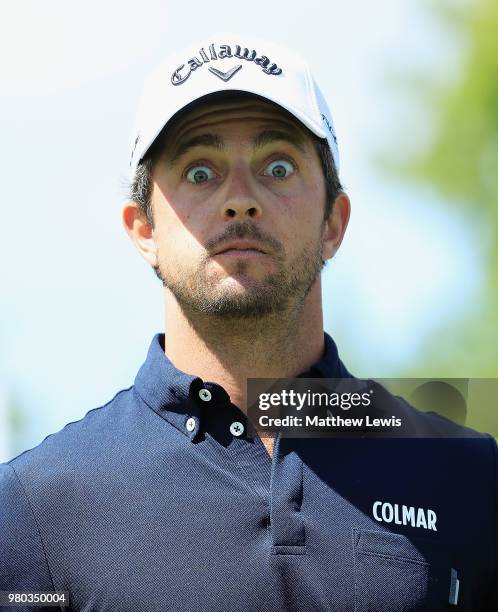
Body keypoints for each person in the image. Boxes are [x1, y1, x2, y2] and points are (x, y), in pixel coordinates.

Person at [0, 34, 496, 612]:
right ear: (144, 229)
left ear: (333, 222)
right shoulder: (33, 510)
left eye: (277, 166)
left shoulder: (468, 476)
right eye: (200, 172)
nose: (240, 200)